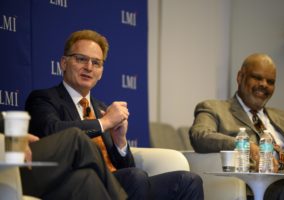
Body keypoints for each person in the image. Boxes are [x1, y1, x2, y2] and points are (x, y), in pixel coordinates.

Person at [25, 29, 204, 200]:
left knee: (188, 181)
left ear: (101, 72)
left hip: (121, 183)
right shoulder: (44, 99)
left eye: (96, 63)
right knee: (135, 178)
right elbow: (53, 131)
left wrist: (120, 141)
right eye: (81, 59)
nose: (89, 67)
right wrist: (104, 123)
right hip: (80, 183)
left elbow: (127, 168)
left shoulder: (101, 107)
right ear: (64, 63)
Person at [189, 53, 284, 200]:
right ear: (240, 77)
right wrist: (246, 145)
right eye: (257, 77)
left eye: (270, 81)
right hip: (253, 187)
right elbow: (200, 135)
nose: (264, 84)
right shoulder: (214, 108)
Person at [0, 112, 127, 200]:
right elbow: (50, 129)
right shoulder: (45, 98)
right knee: (76, 138)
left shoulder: (101, 107)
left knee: (86, 179)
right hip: (8, 159)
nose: (89, 70)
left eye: (97, 69)